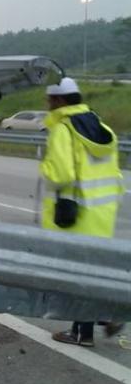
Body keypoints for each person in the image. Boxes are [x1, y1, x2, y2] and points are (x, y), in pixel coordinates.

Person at [39, 78, 125, 346]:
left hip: (76, 215)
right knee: (87, 273)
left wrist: (44, 168)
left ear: (60, 101)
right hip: (103, 212)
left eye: (50, 101)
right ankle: (95, 324)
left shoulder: (64, 129)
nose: (48, 105)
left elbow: (61, 174)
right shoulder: (101, 127)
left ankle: (89, 328)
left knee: (77, 276)